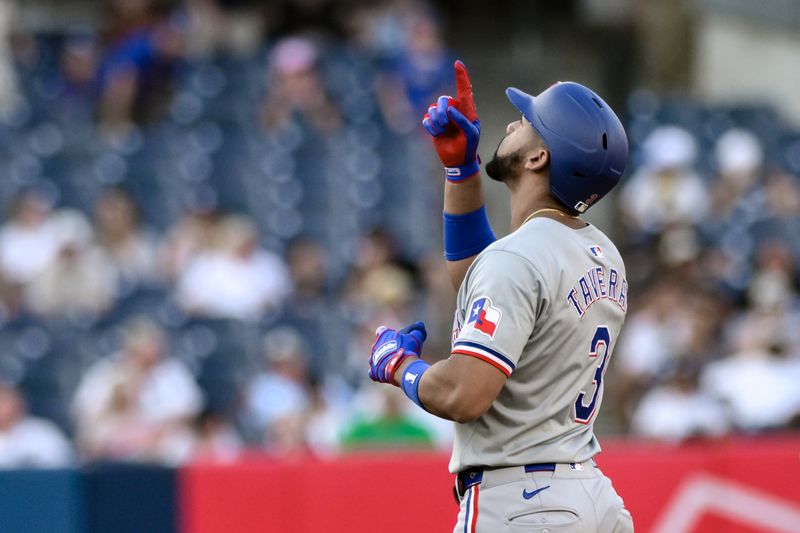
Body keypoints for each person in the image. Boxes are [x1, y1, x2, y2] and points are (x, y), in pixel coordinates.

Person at [368, 61, 634, 532]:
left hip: (524, 505)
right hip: (591, 497)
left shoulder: (519, 258)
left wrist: (400, 367)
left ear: (538, 158)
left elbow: (463, 394)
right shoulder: (602, 252)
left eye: (528, 122)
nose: (512, 123)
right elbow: (481, 277)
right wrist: (461, 169)